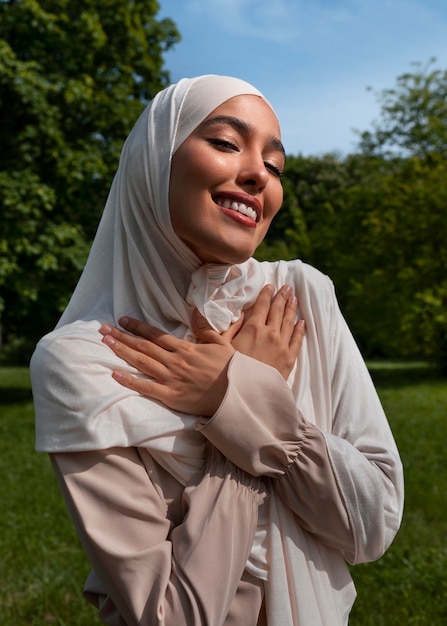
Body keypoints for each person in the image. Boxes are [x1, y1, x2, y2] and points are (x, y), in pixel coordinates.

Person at [30, 75, 404, 626]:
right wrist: (244, 402)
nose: (259, 176)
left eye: (275, 167)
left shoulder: (297, 299)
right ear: (155, 162)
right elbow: (171, 614)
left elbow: (372, 525)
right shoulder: (83, 361)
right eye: (227, 143)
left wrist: (238, 390)